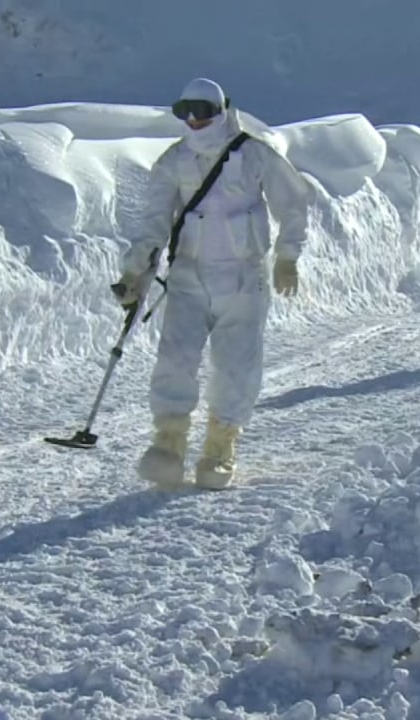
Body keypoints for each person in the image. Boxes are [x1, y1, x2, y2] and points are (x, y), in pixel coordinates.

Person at [115, 77, 310, 489]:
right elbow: (153, 222)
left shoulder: (254, 155)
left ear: (221, 111)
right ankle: (168, 443)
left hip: (243, 278)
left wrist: (287, 257)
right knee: (175, 358)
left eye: (202, 111)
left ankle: (220, 447)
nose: (193, 120)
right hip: (188, 275)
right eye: (184, 110)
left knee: (236, 365)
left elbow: (292, 201)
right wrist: (135, 270)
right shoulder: (173, 162)